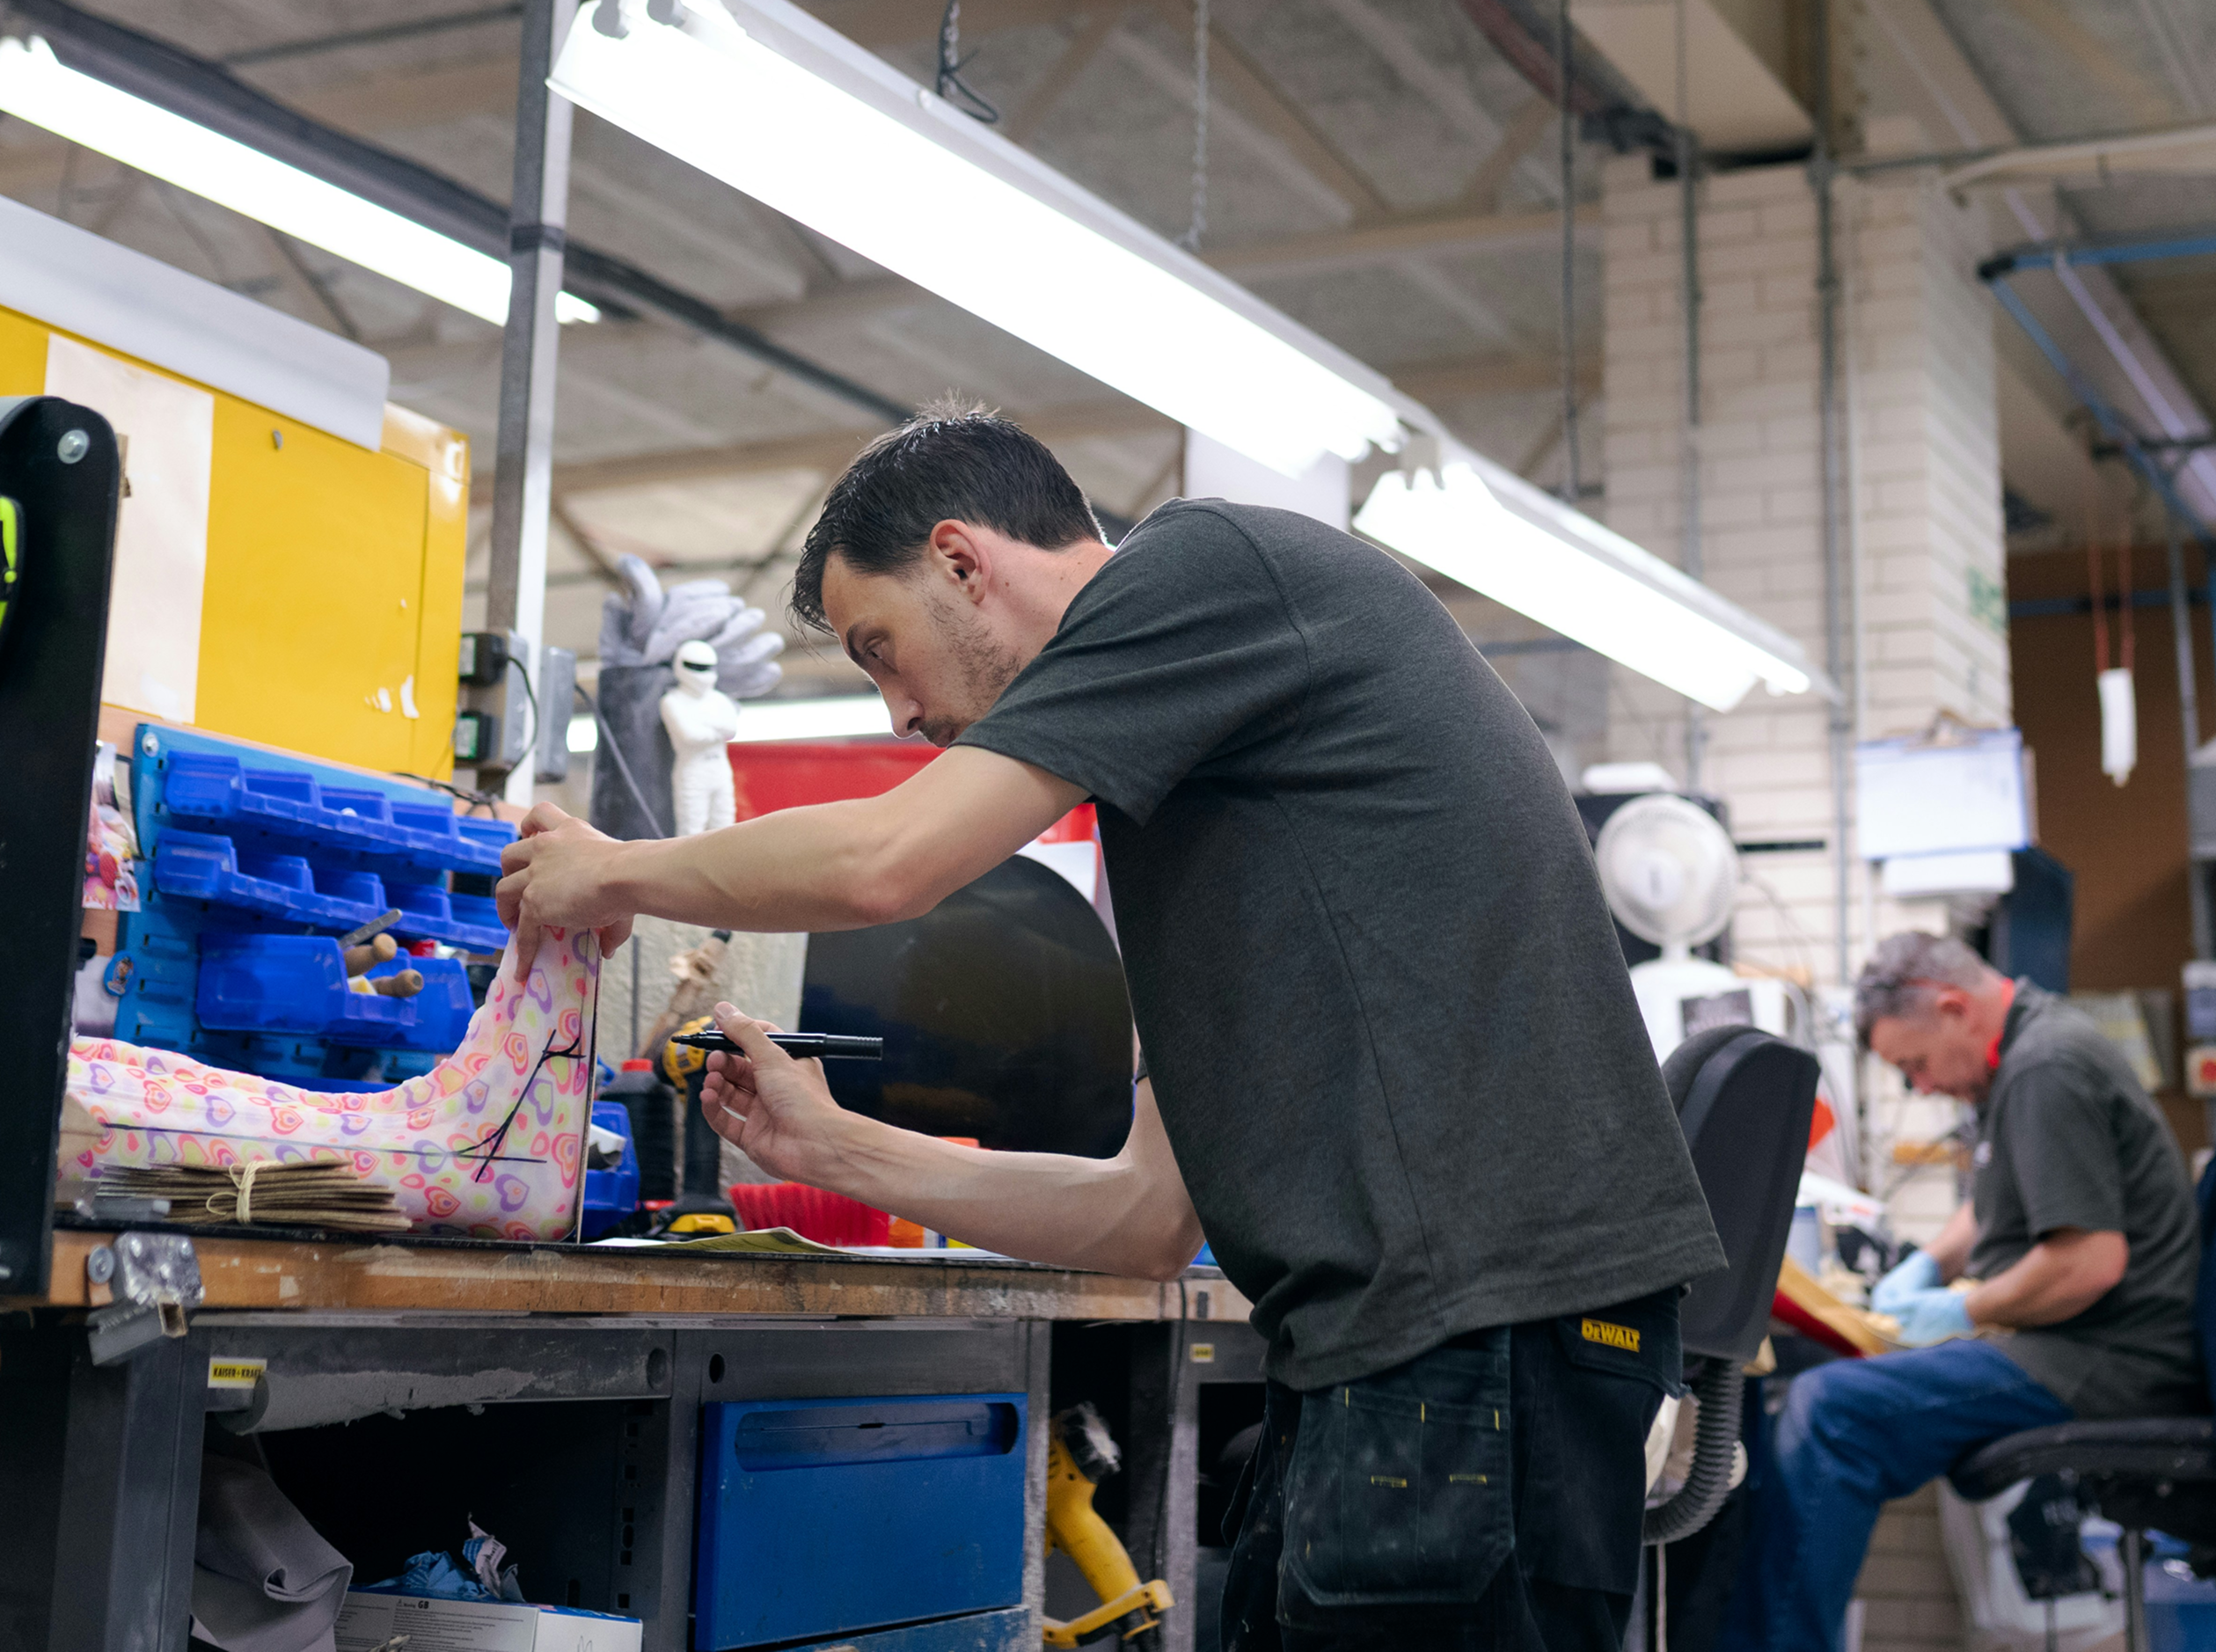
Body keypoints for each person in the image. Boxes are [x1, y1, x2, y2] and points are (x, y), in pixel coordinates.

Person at [498, 405, 1722, 1650]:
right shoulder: (1196, 814)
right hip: (1410, 1352)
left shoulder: (1202, 571)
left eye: (881, 647)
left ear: (965, 563)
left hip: (1476, 1343)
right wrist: (834, 1150)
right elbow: (1143, 1217)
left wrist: (617, 872)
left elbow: (889, 861)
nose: (893, 714)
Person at [1722, 932, 2200, 1652]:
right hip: (2082, 1344)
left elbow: (2088, 1263)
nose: (1920, 1086)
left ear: (1952, 1008)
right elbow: (1993, 1206)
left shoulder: (2047, 1068)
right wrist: (1926, 1269)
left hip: (2111, 1358)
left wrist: (1961, 1309)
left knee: (1831, 1413)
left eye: (1914, 1065)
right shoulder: (2023, 1054)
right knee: (1826, 1392)